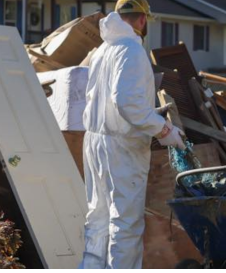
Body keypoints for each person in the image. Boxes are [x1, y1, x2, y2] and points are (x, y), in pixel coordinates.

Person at [80, 0, 186, 269]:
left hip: (95, 140)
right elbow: (128, 104)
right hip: (121, 146)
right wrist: (164, 129)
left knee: (98, 219)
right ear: (142, 20)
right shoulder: (132, 50)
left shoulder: (104, 49)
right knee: (124, 223)